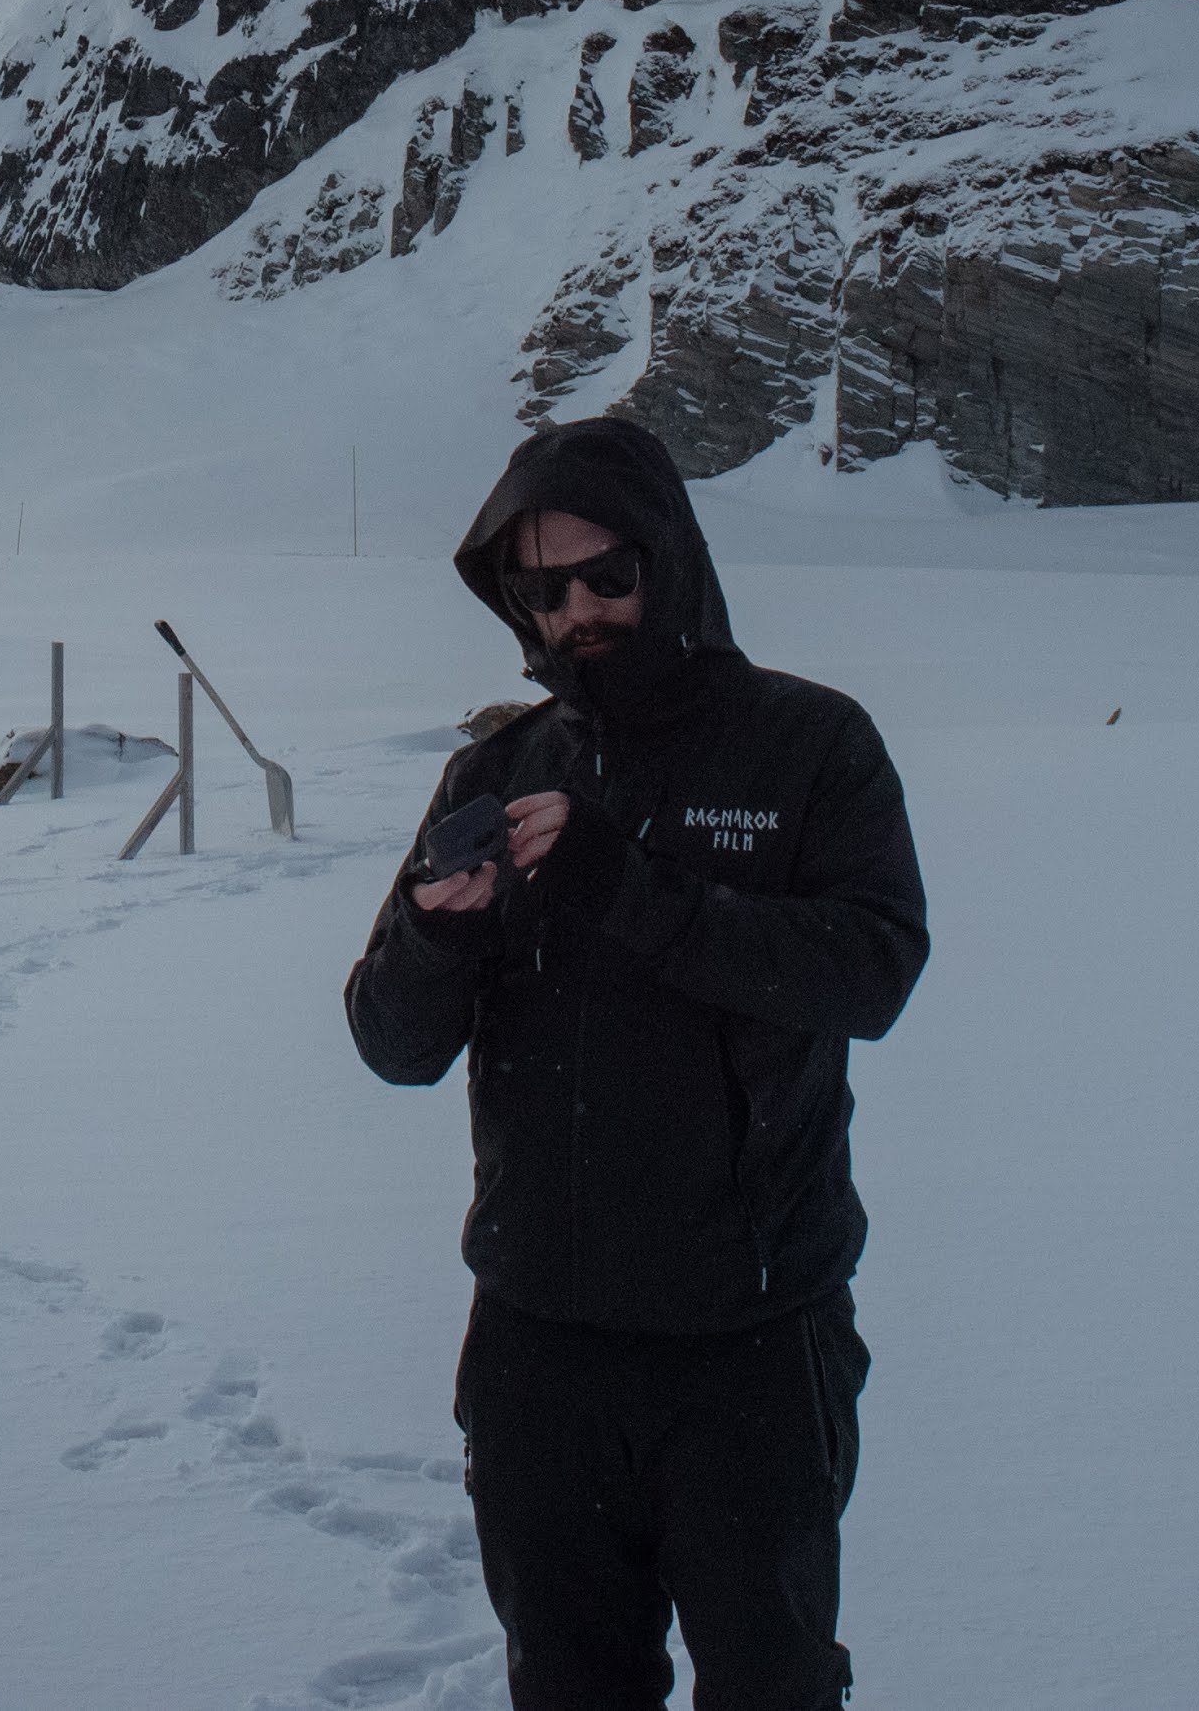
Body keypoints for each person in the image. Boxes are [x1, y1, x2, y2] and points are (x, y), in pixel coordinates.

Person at [344, 416, 929, 1710]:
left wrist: (632, 889)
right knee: (566, 1686)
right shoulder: (497, 769)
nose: (576, 612)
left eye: (604, 575)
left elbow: (871, 971)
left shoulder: (806, 745)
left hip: (749, 1345)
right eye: (540, 589)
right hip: (537, 1348)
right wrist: (441, 935)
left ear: (667, 561)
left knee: (770, 1686)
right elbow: (388, 1044)